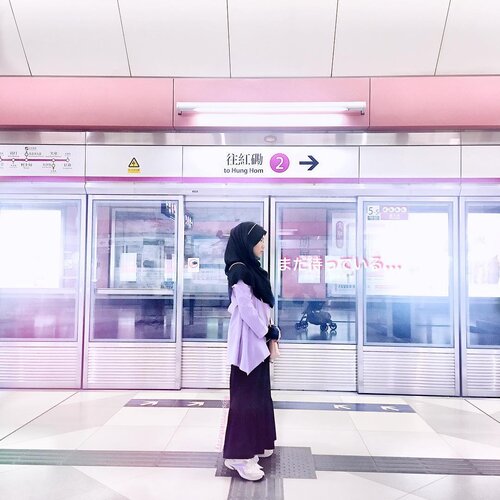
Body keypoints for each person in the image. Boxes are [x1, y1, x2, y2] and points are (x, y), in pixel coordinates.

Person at [222, 221, 279, 481]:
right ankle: (240, 457)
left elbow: (259, 307)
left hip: (257, 345)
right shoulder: (239, 270)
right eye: (259, 241)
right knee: (245, 401)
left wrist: (269, 331)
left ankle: (251, 447)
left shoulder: (252, 269)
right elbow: (246, 309)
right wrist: (266, 332)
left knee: (256, 397)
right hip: (249, 347)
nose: (263, 245)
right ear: (247, 242)